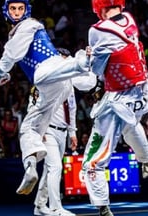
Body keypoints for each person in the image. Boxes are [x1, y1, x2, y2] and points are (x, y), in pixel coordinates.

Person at [0, 0, 91, 195]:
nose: (17, 12)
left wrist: (0, 72)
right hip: (50, 88)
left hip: (47, 70)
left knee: (64, 70)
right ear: (7, 10)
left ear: (26, 9)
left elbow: (11, 53)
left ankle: (82, 61)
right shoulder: (18, 31)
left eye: (20, 8)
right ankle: (29, 167)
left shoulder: (29, 25)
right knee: (28, 128)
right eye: (13, 8)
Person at [81, 0, 148, 216]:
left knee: (92, 161)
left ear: (97, 4)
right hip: (141, 93)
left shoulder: (97, 30)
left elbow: (94, 71)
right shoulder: (130, 20)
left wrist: (86, 57)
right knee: (130, 126)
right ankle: (147, 161)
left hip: (119, 99)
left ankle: (103, 208)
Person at [33, 48, 96, 216]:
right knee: (55, 167)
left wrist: (72, 132)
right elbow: (33, 106)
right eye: (63, 60)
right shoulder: (45, 80)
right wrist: (40, 129)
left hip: (62, 132)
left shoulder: (69, 82)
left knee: (50, 169)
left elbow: (72, 108)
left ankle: (39, 206)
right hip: (48, 131)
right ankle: (55, 207)